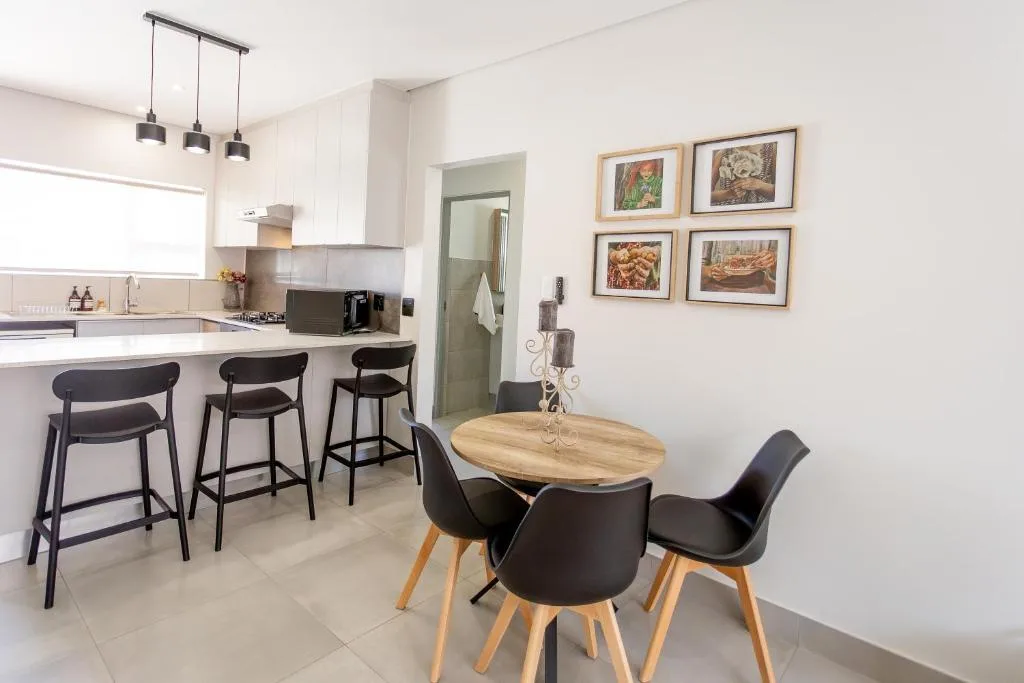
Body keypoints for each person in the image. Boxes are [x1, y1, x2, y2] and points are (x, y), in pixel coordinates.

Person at [710, 144, 776, 205]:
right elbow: (704, 197)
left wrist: (760, 185)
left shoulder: (770, 151)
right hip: (727, 213)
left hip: (760, 213)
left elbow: (780, 193)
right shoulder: (722, 154)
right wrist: (728, 194)